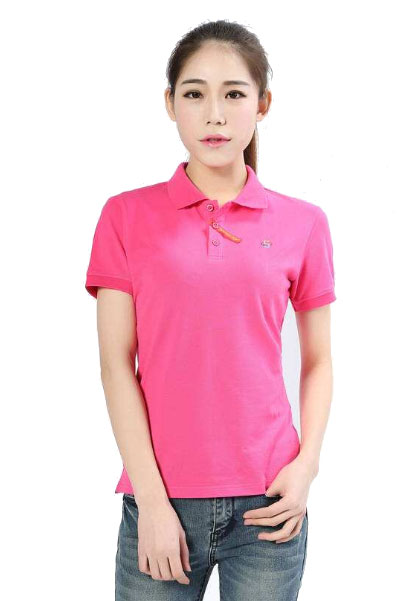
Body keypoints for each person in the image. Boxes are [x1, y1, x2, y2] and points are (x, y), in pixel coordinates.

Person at [85, 19, 336, 601]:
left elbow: (319, 360)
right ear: (170, 104)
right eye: (195, 94)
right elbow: (116, 365)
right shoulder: (125, 216)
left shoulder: (304, 223)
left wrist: (306, 467)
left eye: (234, 94)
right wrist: (151, 501)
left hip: (270, 503)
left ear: (262, 104)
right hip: (160, 499)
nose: (215, 115)